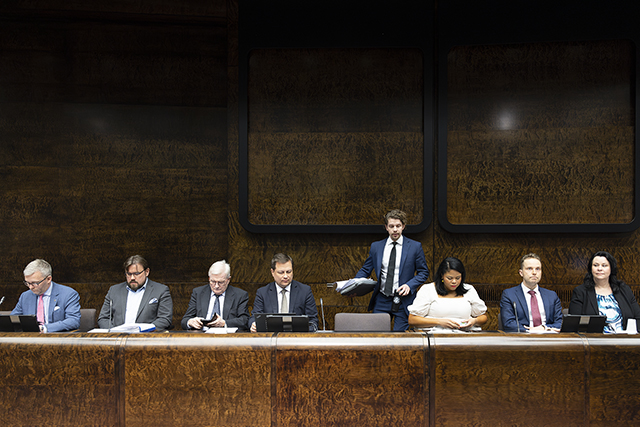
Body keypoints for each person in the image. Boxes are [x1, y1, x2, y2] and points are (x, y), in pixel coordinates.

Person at [355, 209, 429, 331]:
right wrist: (353, 285)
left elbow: (423, 272)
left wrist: (409, 285)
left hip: (403, 301)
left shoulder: (415, 247)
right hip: (382, 299)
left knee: (399, 338)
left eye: (398, 226)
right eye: (391, 226)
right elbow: (365, 269)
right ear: (386, 227)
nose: (395, 229)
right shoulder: (376, 247)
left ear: (403, 226)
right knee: (377, 336)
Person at [569, 251, 640, 334]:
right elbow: (574, 323)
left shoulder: (624, 290)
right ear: (591, 269)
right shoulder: (580, 292)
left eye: (604, 265)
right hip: (594, 340)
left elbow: (638, 317)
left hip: (624, 339)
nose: (599, 268)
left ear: (611, 268)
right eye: (595, 265)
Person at [408, 257, 487, 331]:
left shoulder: (469, 289)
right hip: (435, 335)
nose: (454, 281)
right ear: (442, 275)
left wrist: (475, 321)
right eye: (449, 278)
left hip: (465, 335)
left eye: (458, 278)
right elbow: (412, 319)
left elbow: (483, 317)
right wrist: (439, 322)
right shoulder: (428, 289)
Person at [97, 255, 173, 330]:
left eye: (136, 273)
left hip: (146, 336)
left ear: (147, 272)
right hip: (118, 336)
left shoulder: (161, 290)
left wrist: (143, 331)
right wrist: (115, 332)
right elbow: (103, 318)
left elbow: (164, 319)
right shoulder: (114, 290)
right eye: (129, 274)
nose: (132, 278)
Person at [249, 253, 318, 332]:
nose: (285, 276)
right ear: (272, 272)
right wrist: (253, 324)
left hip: (297, 336)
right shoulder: (263, 293)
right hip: (271, 336)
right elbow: (254, 317)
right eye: (281, 272)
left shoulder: (305, 291)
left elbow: (313, 321)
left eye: (289, 272)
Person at [11, 259, 81, 332]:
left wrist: (44, 328)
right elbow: (13, 320)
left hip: (57, 337)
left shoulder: (68, 294)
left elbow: (73, 321)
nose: (30, 287)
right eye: (27, 283)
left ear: (48, 279)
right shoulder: (25, 296)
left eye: (35, 283)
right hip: (30, 338)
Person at [500, 253, 563, 332]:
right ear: (521, 273)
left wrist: (544, 328)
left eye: (538, 269)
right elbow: (508, 323)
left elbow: (560, 322)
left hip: (548, 336)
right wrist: (531, 331)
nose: (534, 272)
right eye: (529, 268)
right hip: (523, 337)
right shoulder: (509, 295)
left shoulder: (551, 296)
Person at [181, 260, 250, 331]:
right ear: (209, 279)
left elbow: (245, 320)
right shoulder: (198, 293)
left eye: (221, 282)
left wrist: (224, 323)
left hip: (227, 336)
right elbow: (184, 320)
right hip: (202, 335)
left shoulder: (240, 295)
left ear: (228, 280)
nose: (216, 286)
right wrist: (190, 322)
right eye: (213, 281)